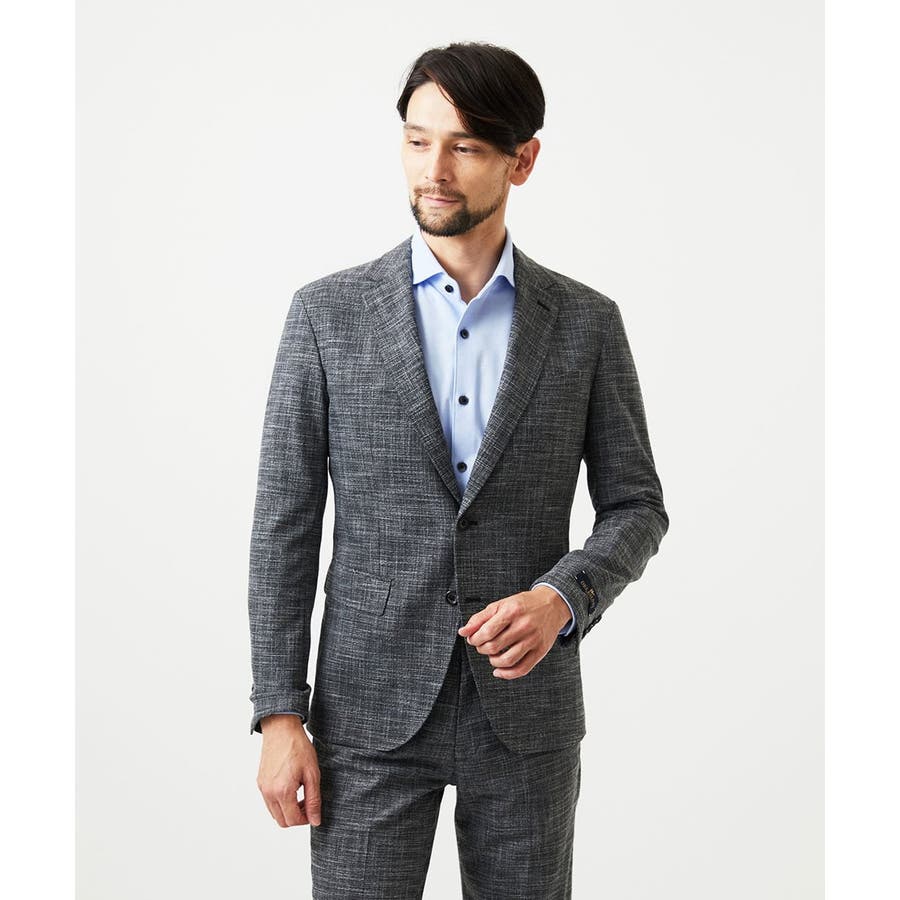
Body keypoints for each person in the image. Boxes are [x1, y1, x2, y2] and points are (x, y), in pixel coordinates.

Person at [248, 41, 669, 899]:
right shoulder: (327, 316)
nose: (433, 171)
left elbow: (636, 505)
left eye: (465, 147)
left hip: (527, 713)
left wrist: (563, 598)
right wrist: (279, 712)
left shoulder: (585, 323)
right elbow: (284, 527)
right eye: (417, 141)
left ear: (523, 159)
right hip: (366, 713)